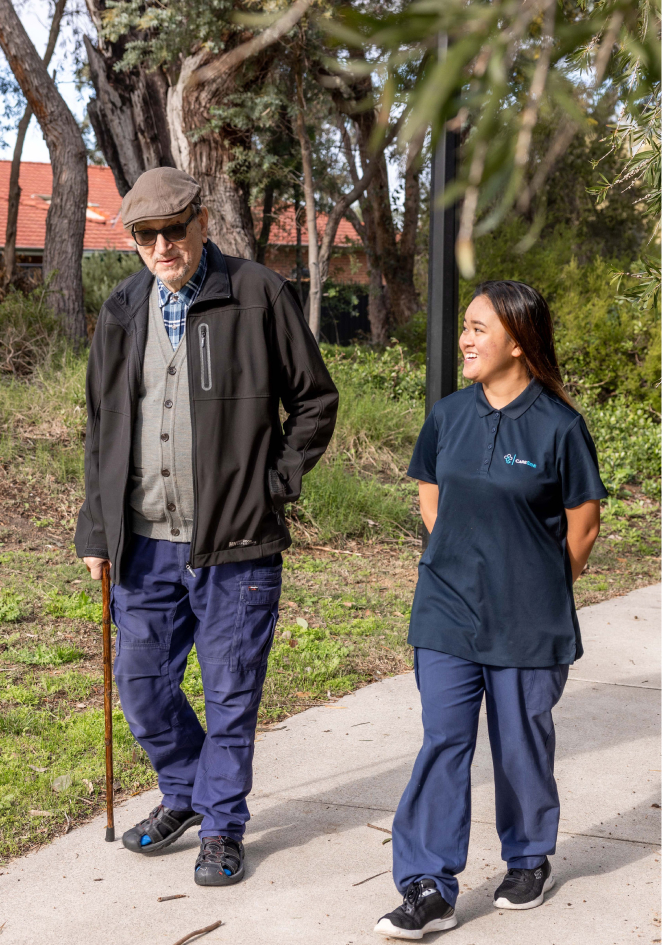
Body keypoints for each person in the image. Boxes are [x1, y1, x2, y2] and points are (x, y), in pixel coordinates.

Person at [76, 167, 338, 887]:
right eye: (147, 235)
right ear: (133, 241)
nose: (163, 245)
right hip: (143, 542)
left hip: (237, 545)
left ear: (200, 222)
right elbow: (102, 430)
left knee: (230, 695)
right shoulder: (124, 308)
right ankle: (187, 792)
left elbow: (315, 401)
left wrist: (274, 483)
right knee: (141, 683)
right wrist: (96, 531)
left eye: (174, 229)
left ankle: (221, 824)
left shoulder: (257, 294)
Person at [374, 280, 607, 939]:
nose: (466, 339)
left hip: (529, 618)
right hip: (446, 609)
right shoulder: (448, 415)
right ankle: (426, 884)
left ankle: (529, 857)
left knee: (519, 742)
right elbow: (430, 492)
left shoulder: (559, 426)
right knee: (444, 739)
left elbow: (583, 524)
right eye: (466, 327)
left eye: (479, 328)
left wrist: (536, 585)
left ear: (518, 341)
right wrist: (458, 561)